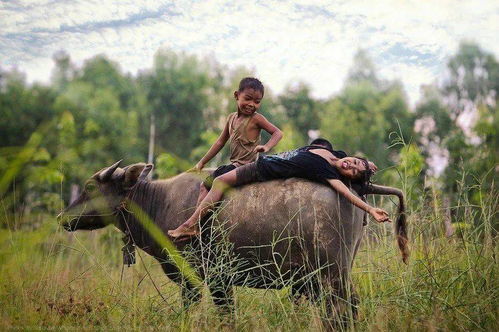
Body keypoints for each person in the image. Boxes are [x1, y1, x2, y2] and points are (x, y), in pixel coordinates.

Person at [168, 141, 390, 239]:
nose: (349, 166)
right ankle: (199, 225)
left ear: (347, 177)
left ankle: (192, 224)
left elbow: (346, 193)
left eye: (352, 171)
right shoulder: (336, 155)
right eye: (353, 162)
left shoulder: (327, 172)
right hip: (261, 161)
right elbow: (353, 162)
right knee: (208, 181)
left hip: (261, 170)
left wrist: (369, 210)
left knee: (219, 182)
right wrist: (367, 165)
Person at [192, 77, 283, 209]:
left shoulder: (256, 119)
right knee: (207, 184)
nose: (252, 104)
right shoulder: (231, 118)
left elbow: (278, 133)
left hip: (245, 167)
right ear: (236, 95)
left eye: (257, 102)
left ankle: (196, 224)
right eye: (248, 99)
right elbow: (219, 142)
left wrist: (266, 146)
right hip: (234, 165)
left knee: (205, 186)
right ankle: (204, 220)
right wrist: (201, 162)